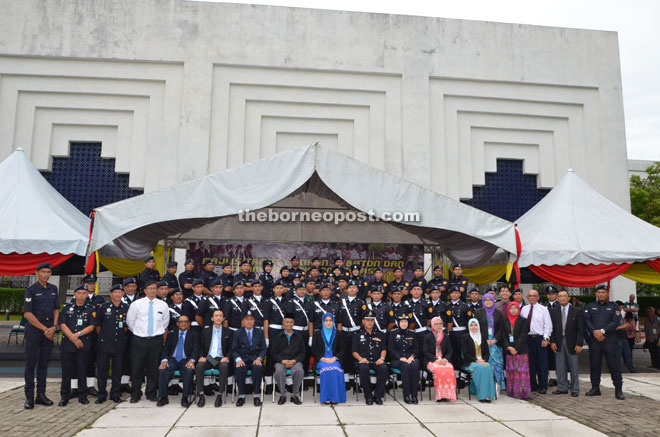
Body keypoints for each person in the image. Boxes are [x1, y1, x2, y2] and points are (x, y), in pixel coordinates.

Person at [126, 280, 170, 403]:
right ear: (145, 290)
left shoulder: (163, 305)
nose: (152, 291)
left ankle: (151, 392)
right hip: (139, 340)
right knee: (137, 368)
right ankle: (135, 393)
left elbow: (165, 322)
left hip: (155, 340)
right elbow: (130, 322)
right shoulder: (136, 304)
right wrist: (139, 333)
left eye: (154, 288)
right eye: (149, 288)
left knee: (153, 368)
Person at [23, 262, 59, 409]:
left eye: (48, 272)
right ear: (37, 273)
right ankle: (29, 397)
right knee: (31, 364)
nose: (46, 274)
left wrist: (54, 327)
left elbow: (56, 309)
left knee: (44, 364)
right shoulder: (31, 290)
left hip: (49, 330)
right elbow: (28, 314)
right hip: (35, 330)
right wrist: (45, 329)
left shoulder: (53, 289)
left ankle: (41, 395)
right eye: (43, 272)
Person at [584, 284, 624, 400]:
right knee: (595, 364)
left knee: (614, 365)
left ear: (607, 294)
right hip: (594, 340)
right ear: (596, 294)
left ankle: (618, 390)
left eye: (603, 292)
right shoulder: (590, 306)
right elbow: (587, 321)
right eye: (599, 292)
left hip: (609, 340)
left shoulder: (614, 306)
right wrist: (594, 332)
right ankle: (595, 388)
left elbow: (615, 322)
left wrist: (602, 331)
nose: (601, 294)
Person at [58, 285, 96, 406]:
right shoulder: (67, 308)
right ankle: (64, 395)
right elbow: (62, 324)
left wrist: (78, 334)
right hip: (68, 344)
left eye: (84, 293)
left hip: (83, 344)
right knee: (66, 371)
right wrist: (73, 338)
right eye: (79, 293)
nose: (81, 296)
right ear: (74, 294)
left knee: (82, 370)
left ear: (87, 295)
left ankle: (82, 395)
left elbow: (92, 326)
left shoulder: (90, 309)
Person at [95, 284, 129, 404]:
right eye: (115, 292)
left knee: (117, 371)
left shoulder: (126, 308)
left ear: (123, 294)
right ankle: (101, 394)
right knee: (102, 371)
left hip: (119, 344)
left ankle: (115, 394)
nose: (118, 294)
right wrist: (105, 336)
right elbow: (98, 326)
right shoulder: (103, 307)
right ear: (111, 294)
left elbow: (126, 327)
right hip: (104, 343)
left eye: (120, 292)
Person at [157, 315, 200, 407]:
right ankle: (163, 398)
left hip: (186, 360)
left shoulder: (194, 334)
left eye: (185, 321)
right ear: (177, 323)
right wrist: (164, 360)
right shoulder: (171, 334)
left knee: (189, 371)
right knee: (162, 369)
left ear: (189, 324)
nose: (183, 323)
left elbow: (196, 349)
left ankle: (185, 398)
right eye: (181, 321)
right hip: (172, 360)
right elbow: (165, 349)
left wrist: (192, 360)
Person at [196, 308, 233, 407]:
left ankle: (220, 395)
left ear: (223, 318)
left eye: (220, 316)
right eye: (216, 316)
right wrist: (201, 356)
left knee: (224, 366)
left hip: (221, 358)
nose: (218, 318)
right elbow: (200, 346)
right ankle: (201, 395)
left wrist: (227, 357)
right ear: (212, 318)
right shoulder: (205, 331)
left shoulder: (229, 332)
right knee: (199, 366)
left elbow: (231, 348)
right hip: (208, 358)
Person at [550, 290, 584, 397]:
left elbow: (580, 329)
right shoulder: (554, 311)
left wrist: (579, 344)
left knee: (573, 367)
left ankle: (574, 389)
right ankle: (562, 388)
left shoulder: (577, 311)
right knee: (560, 367)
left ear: (568, 298)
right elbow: (553, 328)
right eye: (560, 296)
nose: (562, 298)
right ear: (557, 298)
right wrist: (553, 341)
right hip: (559, 341)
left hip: (572, 342)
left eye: (564, 296)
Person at [520, 289, 552, 394]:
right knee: (530, 364)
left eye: (534, 296)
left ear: (538, 297)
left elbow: (548, 325)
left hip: (540, 338)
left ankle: (543, 386)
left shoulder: (544, 309)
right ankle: (533, 385)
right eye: (530, 296)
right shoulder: (524, 309)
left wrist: (545, 338)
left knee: (542, 363)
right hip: (528, 339)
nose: (532, 297)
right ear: (527, 297)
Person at [232, 311, 267, 406]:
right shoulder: (237, 333)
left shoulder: (259, 332)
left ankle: (256, 396)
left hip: (255, 359)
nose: (249, 321)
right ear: (243, 321)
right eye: (247, 319)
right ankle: (241, 396)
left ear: (254, 321)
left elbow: (264, 348)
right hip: (243, 359)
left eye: (251, 319)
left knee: (257, 368)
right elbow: (234, 350)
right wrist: (238, 359)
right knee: (240, 369)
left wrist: (259, 358)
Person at [353, 310, 388, 405]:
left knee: (384, 368)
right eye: (367, 320)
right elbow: (354, 352)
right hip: (364, 361)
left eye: (371, 320)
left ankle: (378, 396)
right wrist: (361, 359)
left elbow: (383, 349)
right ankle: (368, 396)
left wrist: (382, 359)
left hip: (377, 361)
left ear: (374, 321)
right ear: (363, 321)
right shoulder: (357, 335)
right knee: (363, 369)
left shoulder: (380, 334)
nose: (369, 322)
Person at [312, 312, 346, 405]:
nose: (328, 322)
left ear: (333, 322)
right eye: (326, 320)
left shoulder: (338, 334)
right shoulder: (317, 334)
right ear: (323, 322)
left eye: (330, 320)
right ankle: (326, 398)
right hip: (321, 360)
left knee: (335, 370)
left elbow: (342, 349)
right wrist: (323, 359)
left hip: (334, 359)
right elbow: (314, 350)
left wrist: (335, 358)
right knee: (326, 370)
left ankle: (335, 397)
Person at [272, 313, 305, 405]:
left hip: (295, 361)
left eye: (291, 322)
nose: (289, 324)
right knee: (278, 371)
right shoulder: (278, 336)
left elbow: (302, 353)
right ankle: (282, 395)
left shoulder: (298, 336)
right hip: (281, 361)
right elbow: (273, 353)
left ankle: (294, 395)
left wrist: (294, 360)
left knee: (299, 370)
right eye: (287, 322)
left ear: (293, 324)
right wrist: (282, 361)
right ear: (283, 324)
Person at [475, 293, 505, 391]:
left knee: (497, 364)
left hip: (495, 342)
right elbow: (476, 328)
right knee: (485, 363)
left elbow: (501, 328)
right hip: (483, 341)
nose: (488, 302)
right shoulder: (478, 312)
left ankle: (497, 385)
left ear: (493, 301)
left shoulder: (498, 313)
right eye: (486, 300)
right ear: (483, 302)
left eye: (490, 300)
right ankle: (486, 386)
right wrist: (485, 340)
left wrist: (495, 339)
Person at [462, 318, 496, 402]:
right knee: (480, 368)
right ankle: (482, 396)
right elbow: (465, 354)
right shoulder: (465, 337)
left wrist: (483, 360)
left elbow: (487, 353)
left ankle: (489, 395)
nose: (474, 327)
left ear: (478, 326)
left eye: (475, 325)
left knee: (488, 368)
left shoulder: (483, 337)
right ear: (469, 327)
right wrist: (477, 360)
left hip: (483, 361)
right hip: (471, 362)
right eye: (471, 325)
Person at [388, 314, 420, 404]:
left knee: (415, 365)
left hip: (410, 358)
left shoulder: (412, 333)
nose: (403, 323)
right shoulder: (393, 334)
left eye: (405, 321)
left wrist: (412, 357)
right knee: (406, 366)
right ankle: (406, 395)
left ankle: (414, 395)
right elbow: (391, 349)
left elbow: (416, 348)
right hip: (397, 360)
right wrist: (400, 358)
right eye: (402, 321)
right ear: (398, 323)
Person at [502, 302, 531, 399]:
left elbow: (523, 335)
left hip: (521, 350)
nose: (513, 310)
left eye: (515, 308)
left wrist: (516, 348)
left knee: (521, 373)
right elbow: (503, 336)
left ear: (518, 310)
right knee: (511, 372)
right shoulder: (505, 321)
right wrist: (509, 347)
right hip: (509, 351)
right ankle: (512, 392)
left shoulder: (523, 320)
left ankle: (523, 393)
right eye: (511, 308)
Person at [615, 301, 637, 373]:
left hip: (624, 337)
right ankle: (617, 370)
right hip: (618, 337)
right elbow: (613, 327)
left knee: (628, 354)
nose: (622, 308)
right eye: (622, 306)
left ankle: (632, 369)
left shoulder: (620, 315)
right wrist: (624, 326)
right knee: (618, 355)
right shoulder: (613, 315)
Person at [544, 286, 559, 387]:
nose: (551, 295)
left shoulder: (562, 306)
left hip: (560, 336)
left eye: (553, 293)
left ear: (556, 295)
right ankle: (553, 378)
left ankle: (567, 378)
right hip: (549, 336)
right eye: (549, 294)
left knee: (563, 358)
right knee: (550, 358)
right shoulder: (544, 307)